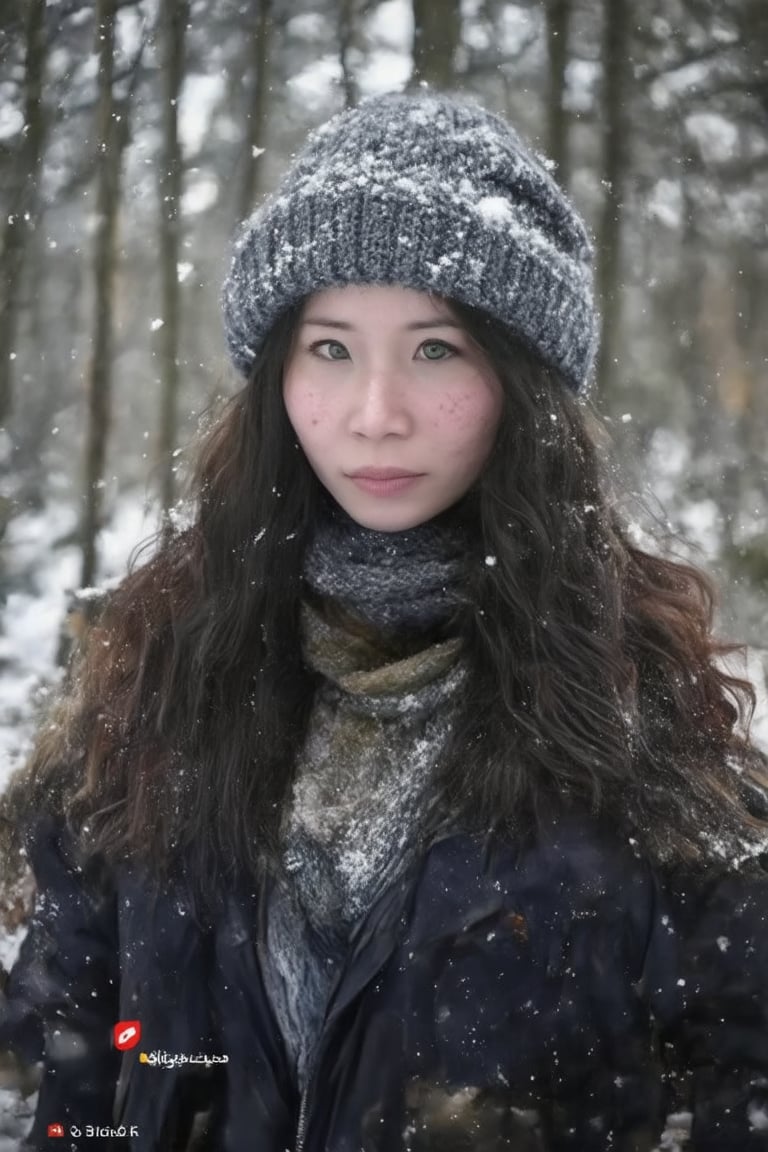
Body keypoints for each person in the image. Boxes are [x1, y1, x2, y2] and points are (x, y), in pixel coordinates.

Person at [2, 89, 768, 1152]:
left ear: (521, 384)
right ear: (277, 378)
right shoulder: (154, 683)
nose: (375, 413)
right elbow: (71, 1077)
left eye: (436, 349)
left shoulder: (651, 725)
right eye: (330, 349)